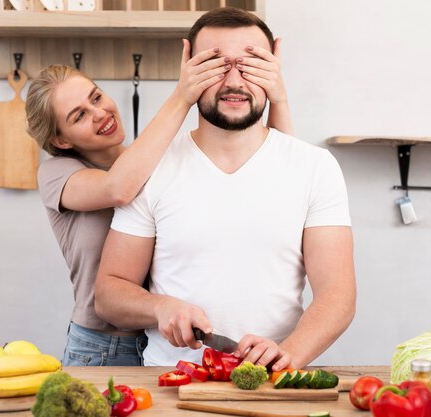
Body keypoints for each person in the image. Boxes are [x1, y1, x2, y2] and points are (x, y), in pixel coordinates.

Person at [94, 7, 356, 371]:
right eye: (216, 66)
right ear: (189, 69)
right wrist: (160, 307)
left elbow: (337, 295)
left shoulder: (316, 167)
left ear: (273, 70)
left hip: (275, 380)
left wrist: (289, 354)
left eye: (251, 64)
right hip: (172, 383)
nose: (234, 81)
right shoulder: (152, 167)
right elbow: (109, 293)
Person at [25, 33, 294, 366]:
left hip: (161, 341)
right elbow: (117, 189)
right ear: (60, 139)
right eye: (78, 116)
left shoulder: (149, 158)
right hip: (103, 344)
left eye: (96, 97)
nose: (99, 113)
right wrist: (183, 95)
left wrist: (278, 98)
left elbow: (282, 167)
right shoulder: (58, 173)